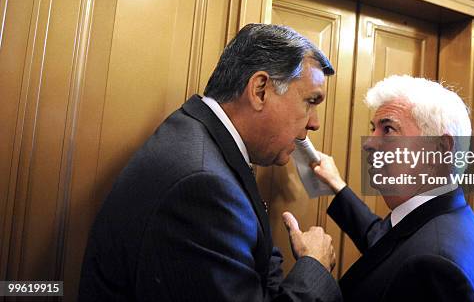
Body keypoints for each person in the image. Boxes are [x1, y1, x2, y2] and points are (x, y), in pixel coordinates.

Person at [79, 24, 342, 302]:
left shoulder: (203, 138)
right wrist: (315, 268)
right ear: (261, 90)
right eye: (310, 101)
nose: (314, 123)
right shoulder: (203, 183)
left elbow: (261, 267)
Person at [312, 75, 474, 302]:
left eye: (388, 130)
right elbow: (385, 241)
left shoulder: (436, 264)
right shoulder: (443, 215)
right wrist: (337, 186)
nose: (368, 143)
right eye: (373, 129)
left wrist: (313, 274)